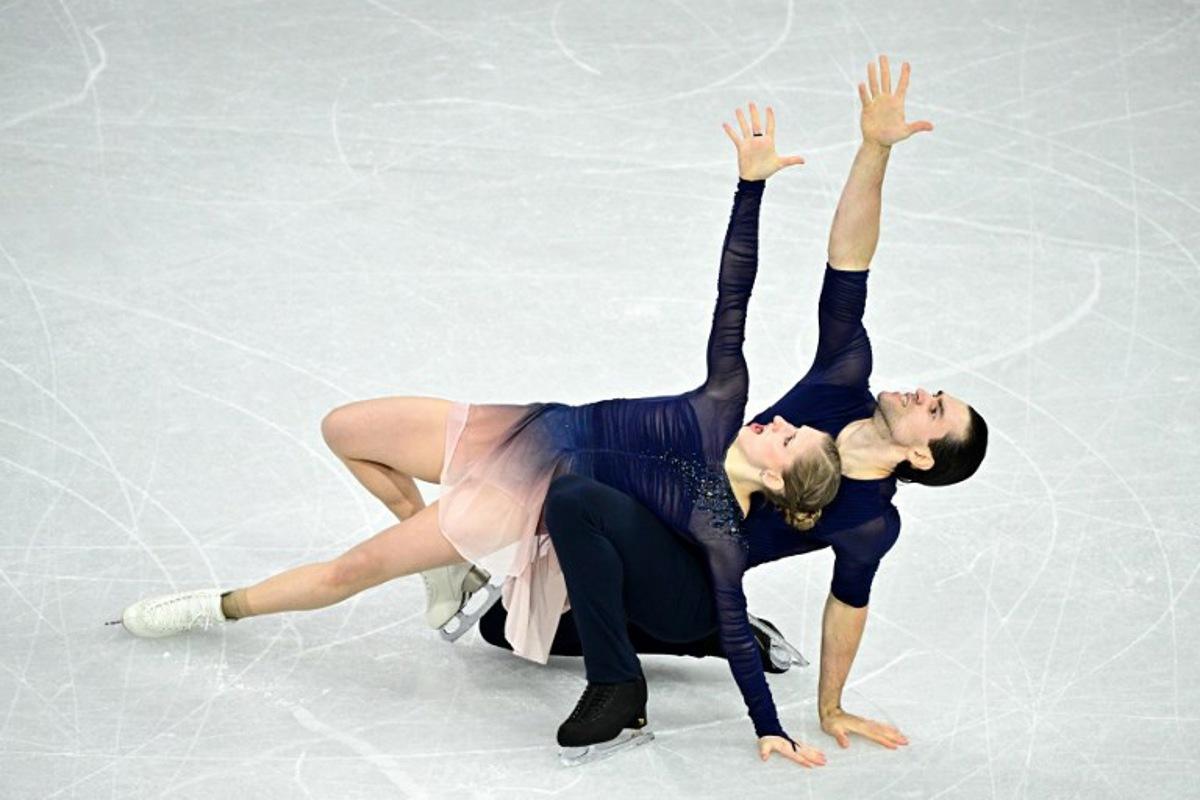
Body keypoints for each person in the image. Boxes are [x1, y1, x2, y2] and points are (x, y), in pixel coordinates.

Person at [113, 101, 840, 762]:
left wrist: (770, 726)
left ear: (776, 478)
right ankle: (443, 564)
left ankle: (216, 606)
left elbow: (734, 626)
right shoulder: (723, 400)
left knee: (352, 571)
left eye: (787, 438)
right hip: (526, 427)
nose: (776, 420)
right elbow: (733, 291)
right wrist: (752, 187)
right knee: (345, 429)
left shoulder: (718, 523)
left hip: (527, 495)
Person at [460, 55, 990, 769]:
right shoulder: (842, 380)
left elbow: (848, 605)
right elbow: (848, 261)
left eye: (937, 411)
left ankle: (634, 678)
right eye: (937, 393)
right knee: (499, 629)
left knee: (578, 499)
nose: (925, 393)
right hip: (659, 517)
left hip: (697, 582)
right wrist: (874, 149)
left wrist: (828, 706)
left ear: (922, 456)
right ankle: (688, 633)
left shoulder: (871, 521)